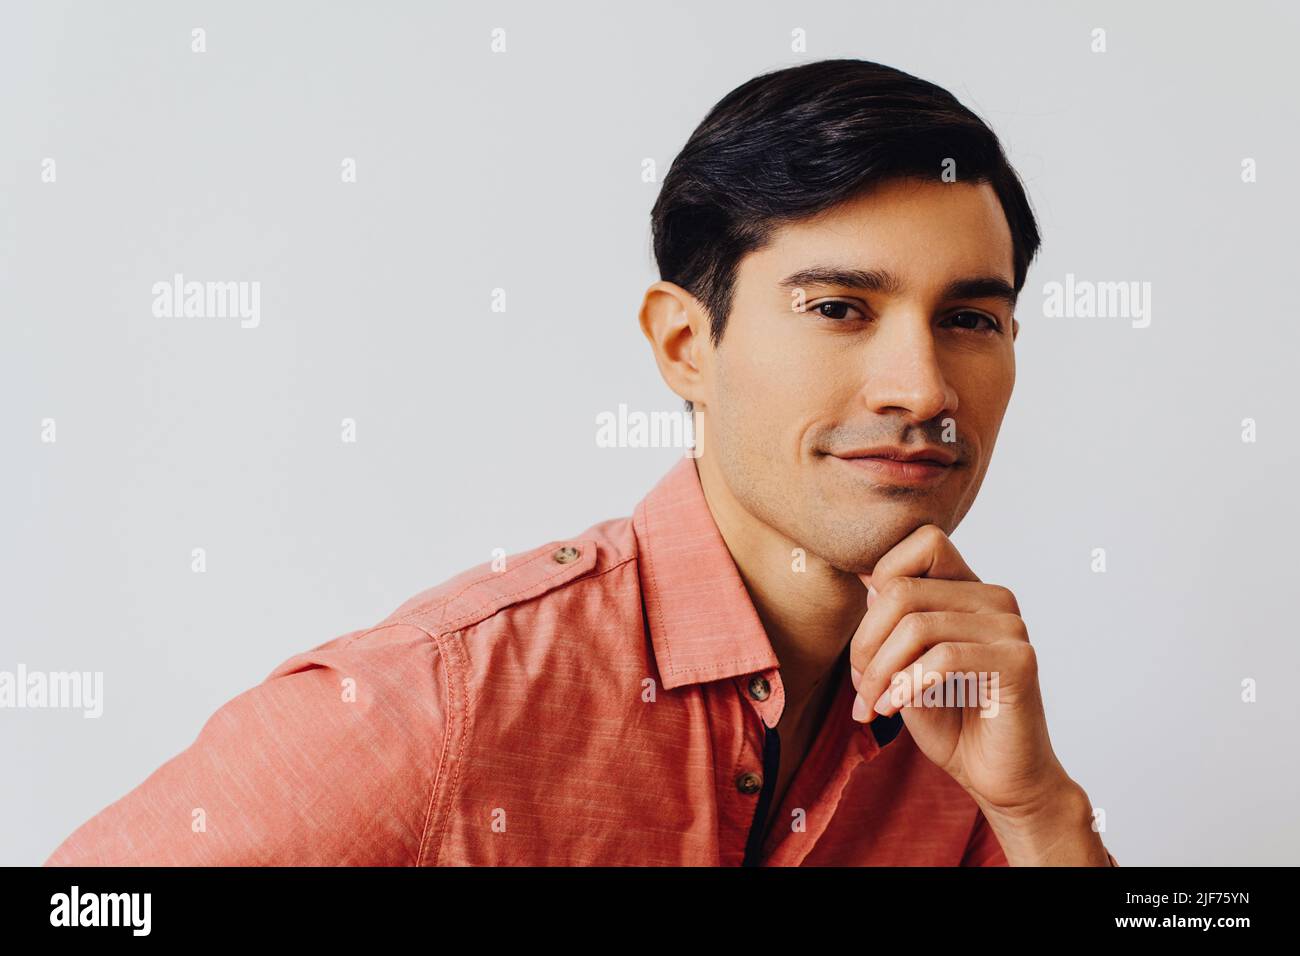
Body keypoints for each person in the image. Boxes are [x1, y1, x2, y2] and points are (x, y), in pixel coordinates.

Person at [46, 58, 1117, 866]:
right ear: (684, 345)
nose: (922, 388)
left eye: (970, 318)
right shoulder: (446, 694)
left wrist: (1041, 813)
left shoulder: (965, 723)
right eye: (839, 307)